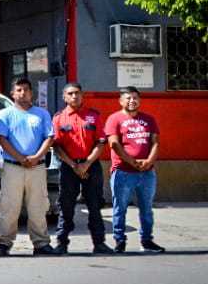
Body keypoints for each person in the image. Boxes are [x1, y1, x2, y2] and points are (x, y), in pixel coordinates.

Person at [0, 78, 56, 256]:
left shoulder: (42, 114)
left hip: (36, 167)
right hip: (13, 167)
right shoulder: (5, 114)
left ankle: (41, 243)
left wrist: (36, 157)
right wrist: (20, 158)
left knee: (38, 206)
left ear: (31, 93)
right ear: (12, 94)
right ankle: (4, 243)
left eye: (26, 90)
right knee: (9, 207)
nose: (22, 93)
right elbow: (2, 139)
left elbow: (49, 137)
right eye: (18, 90)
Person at [52, 82, 114, 254]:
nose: (74, 96)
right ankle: (61, 243)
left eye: (77, 93)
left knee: (94, 204)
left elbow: (101, 143)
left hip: (91, 166)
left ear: (82, 95)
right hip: (68, 167)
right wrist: (73, 165)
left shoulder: (93, 116)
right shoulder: (59, 118)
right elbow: (57, 146)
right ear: (64, 97)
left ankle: (99, 243)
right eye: (70, 93)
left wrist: (86, 164)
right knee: (66, 205)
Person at [104, 86, 164, 253]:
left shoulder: (149, 119)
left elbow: (155, 142)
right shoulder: (114, 119)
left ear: (140, 100)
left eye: (135, 98)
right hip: (123, 172)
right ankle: (120, 241)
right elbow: (114, 144)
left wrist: (149, 161)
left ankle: (147, 240)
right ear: (121, 101)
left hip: (147, 173)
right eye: (128, 98)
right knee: (120, 208)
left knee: (146, 209)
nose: (132, 101)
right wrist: (131, 162)